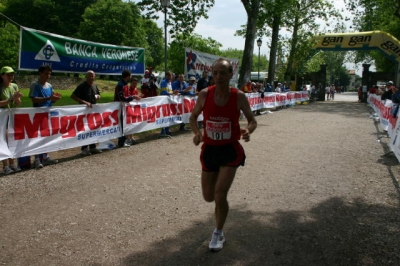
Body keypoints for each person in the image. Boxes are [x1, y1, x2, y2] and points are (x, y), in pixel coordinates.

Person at [189, 58, 257, 252]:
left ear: (230, 75)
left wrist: (248, 130)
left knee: (220, 194)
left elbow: (252, 120)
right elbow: (193, 117)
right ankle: (219, 225)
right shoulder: (204, 94)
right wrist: (197, 133)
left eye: (222, 73)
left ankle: (218, 232)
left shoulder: (239, 97)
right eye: (215, 73)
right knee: (208, 196)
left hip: (230, 150)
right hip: (210, 150)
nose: (218, 76)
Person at [29, 65, 61, 169]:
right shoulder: (35, 84)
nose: (48, 75)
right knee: (38, 136)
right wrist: (48, 98)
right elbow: (34, 99)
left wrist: (55, 99)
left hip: (48, 114)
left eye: (49, 73)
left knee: (47, 135)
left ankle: (46, 156)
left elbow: (51, 99)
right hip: (38, 114)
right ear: (40, 73)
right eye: (46, 73)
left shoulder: (49, 85)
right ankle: (37, 158)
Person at [71, 70, 103, 156]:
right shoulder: (82, 86)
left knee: (92, 129)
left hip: (93, 112)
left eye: (92, 76)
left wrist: (98, 96)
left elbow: (97, 94)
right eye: (89, 76)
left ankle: (92, 147)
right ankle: (84, 148)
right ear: (86, 77)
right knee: (85, 129)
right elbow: (73, 96)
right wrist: (84, 102)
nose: (91, 78)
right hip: (84, 112)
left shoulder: (95, 85)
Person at [0, 66, 23, 174]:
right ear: (2, 75)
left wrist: (17, 98)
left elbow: (18, 103)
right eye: (8, 75)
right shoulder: (0, 87)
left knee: (11, 139)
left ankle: (12, 164)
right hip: (1, 118)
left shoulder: (14, 86)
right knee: (2, 140)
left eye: (12, 74)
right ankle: (5, 166)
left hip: (11, 117)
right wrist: (10, 99)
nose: (11, 77)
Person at [114, 69, 135, 147]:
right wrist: (132, 97)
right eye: (130, 75)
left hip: (125, 107)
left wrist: (132, 97)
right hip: (120, 107)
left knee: (125, 123)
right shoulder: (120, 84)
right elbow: (122, 98)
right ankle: (121, 142)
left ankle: (124, 140)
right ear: (127, 76)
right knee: (122, 124)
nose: (131, 77)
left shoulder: (125, 84)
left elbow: (127, 95)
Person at [159, 71, 178, 137]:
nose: (170, 77)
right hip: (164, 101)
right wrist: (172, 93)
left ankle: (167, 130)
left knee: (168, 115)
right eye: (168, 75)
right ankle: (163, 131)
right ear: (166, 76)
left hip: (169, 101)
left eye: (171, 76)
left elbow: (170, 92)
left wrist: (174, 93)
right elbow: (164, 92)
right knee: (164, 115)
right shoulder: (164, 82)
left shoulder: (170, 82)